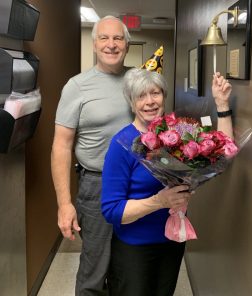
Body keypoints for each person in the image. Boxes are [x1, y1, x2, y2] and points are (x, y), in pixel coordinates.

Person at [101, 68, 234, 296]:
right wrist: (159, 201)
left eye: (155, 93)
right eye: (141, 96)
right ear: (131, 103)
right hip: (134, 248)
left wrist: (222, 105)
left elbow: (223, 152)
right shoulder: (121, 144)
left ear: (164, 97)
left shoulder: (178, 136)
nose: (150, 102)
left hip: (172, 241)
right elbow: (111, 210)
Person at [51, 16, 133, 296]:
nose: (112, 45)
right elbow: (61, 146)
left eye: (118, 38)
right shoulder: (77, 86)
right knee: (95, 269)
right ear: (95, 44)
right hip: (96, 186)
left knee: (128, 266)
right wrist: (64, 204)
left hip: (136, 186)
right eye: (104, 38)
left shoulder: (137, 81)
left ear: (127, 44)